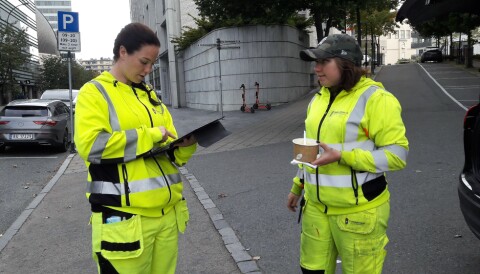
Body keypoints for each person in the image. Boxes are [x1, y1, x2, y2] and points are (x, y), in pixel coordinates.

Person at [74, 22, 197, 274]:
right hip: (124, 219)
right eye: (143, 61)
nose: (148, 70)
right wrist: (150, 135)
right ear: (122, 52)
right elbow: (91, 146)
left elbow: (169, 154)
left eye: (152, 63)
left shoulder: (150, 95)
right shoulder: (94, 92)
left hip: (167, 215)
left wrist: (185, 146)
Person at [287, 34, 409, 274]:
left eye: (323, 62)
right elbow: (311, 152)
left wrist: (343, 156)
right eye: (315, 63)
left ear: (346, 64)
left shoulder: (377, 99)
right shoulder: (318, 99)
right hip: (316, 210)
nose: (316, 69)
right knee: (312, 271)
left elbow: (397, 155)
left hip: (358, 214)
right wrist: (297, 186)